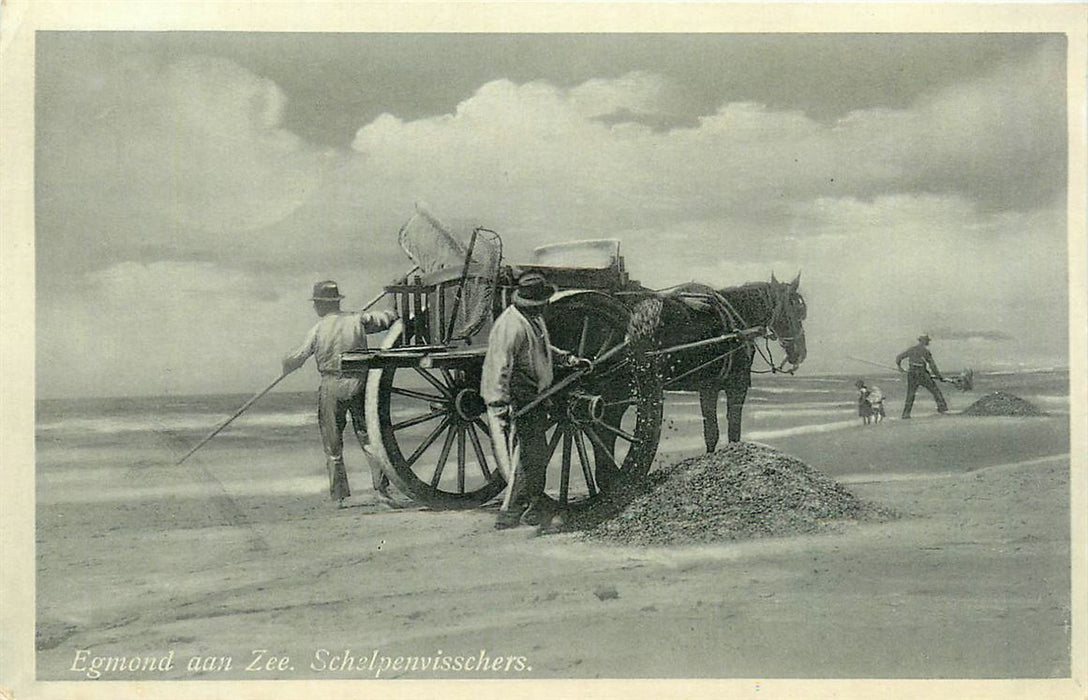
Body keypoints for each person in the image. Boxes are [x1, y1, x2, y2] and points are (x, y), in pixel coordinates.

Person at [481, 271, 591, 530]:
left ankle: (531, 510)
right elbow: (499, 367)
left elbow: (542, 349)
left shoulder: (532, 319)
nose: (546, 306)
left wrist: (568, 359)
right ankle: (511, 513)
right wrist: (500, 405)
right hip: (519, 398)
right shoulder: (511, 326)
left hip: (534, 396)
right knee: (525, 456)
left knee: (535, 454)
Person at [283, 280, 399, 508]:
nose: (315, 307)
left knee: (333, 445)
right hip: (359, 382)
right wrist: (392, 298)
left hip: (331, 383)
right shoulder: (358, 319)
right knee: (369, 439)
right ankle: (382, 492)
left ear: (321, 305)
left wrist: (286, 364)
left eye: (316, 303)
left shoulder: (317, 329)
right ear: (336, 302)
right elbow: (388, 318)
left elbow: (298, 358)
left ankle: (339, 497)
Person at [895, 333, 948, 419]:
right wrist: (939, 377)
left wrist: (900, 368)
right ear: (923, 341)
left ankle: (906, 414)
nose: (928, 342)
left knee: (910, 394)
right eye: (927, 341)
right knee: (935, 390)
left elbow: (898, 358)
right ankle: (942, 409)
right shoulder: (925, 351)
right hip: (921, 373)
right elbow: (932, 365)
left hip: (911, 373)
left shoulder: (911, 349)